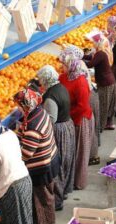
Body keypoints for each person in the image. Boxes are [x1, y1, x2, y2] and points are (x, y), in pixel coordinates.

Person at [14, 88, 59, 224]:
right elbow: (23, 131)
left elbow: (26, 154)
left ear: (25, 105)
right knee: (47, 198)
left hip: (41, 169)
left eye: (19, 105)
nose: (18, 109)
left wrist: (10, 152)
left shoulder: (34, 125)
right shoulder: (38, 112)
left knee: (42, 202)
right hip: (50, 159)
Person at [37, 65, 76, 211]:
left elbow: (50, 119)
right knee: (66, 161)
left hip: (59, 130)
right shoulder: (61, 87)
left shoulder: (50, 97)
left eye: (40, 80)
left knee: (57, 165)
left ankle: (57, 201)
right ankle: (64, 191)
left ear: (45, 80)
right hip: (67, 125)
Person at [59, 49, 95, 190]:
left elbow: (82, 107)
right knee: (70, 152)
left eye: (64, 64)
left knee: (80, 152)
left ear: (71, 65)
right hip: (70, 119)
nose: (62, 67)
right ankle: (69, 180)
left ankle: (78, 182)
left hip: (81, 120)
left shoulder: (80, 82)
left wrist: (67, 115)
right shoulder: (64, 77)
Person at [84, 33, 116, 131]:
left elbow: (90, 64)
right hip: (109, 81)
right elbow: (90, 58)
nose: (92, 44)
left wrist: (79, 62)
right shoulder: (100, 52)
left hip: (105, 82)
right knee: (109, 104)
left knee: (103, 104)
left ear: (97, 43)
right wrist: (82, 56)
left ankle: (101, 126)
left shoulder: (100, 54)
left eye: (93, 42)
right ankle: (108, 123)